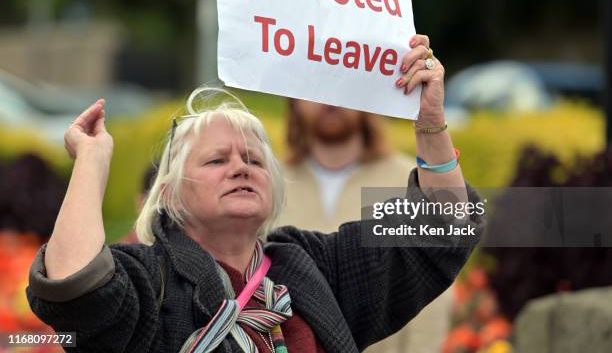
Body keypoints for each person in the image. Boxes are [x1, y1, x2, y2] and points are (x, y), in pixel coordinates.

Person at [26, 34, 484, 352]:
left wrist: (429, 120)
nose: (240, 168)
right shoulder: (147, 280)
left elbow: (439, 230)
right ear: (168, 194)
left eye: (254, 160)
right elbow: (73, 285)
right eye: (216, 160)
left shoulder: (312, 267)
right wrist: (92, 158)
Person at [283, 101, 453, 353]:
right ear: (293, 101)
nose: (329, 99)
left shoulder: (411, 182)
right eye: (316, 84)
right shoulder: (265, 184)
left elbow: (434, 295)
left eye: (341, 81)